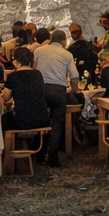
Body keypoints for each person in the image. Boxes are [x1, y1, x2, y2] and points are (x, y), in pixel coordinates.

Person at [34, 29, 77, 167]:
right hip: (59, 90)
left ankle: (39, 155)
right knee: (57, 123)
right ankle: (53, 157)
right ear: (64, 41)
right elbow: (75, 76)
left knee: (41, 121)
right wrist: (73, 92)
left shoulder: (39, 51)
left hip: (41, 89)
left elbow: (34, 69)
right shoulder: (67, 54)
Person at [1, 47, 51, 158]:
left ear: (16, 62)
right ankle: (38, 150)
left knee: (3, 119)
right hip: (42, 119)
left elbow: (6, 97)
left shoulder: (12, 77)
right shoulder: (38, 75)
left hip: (22, 121)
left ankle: (5, 154)